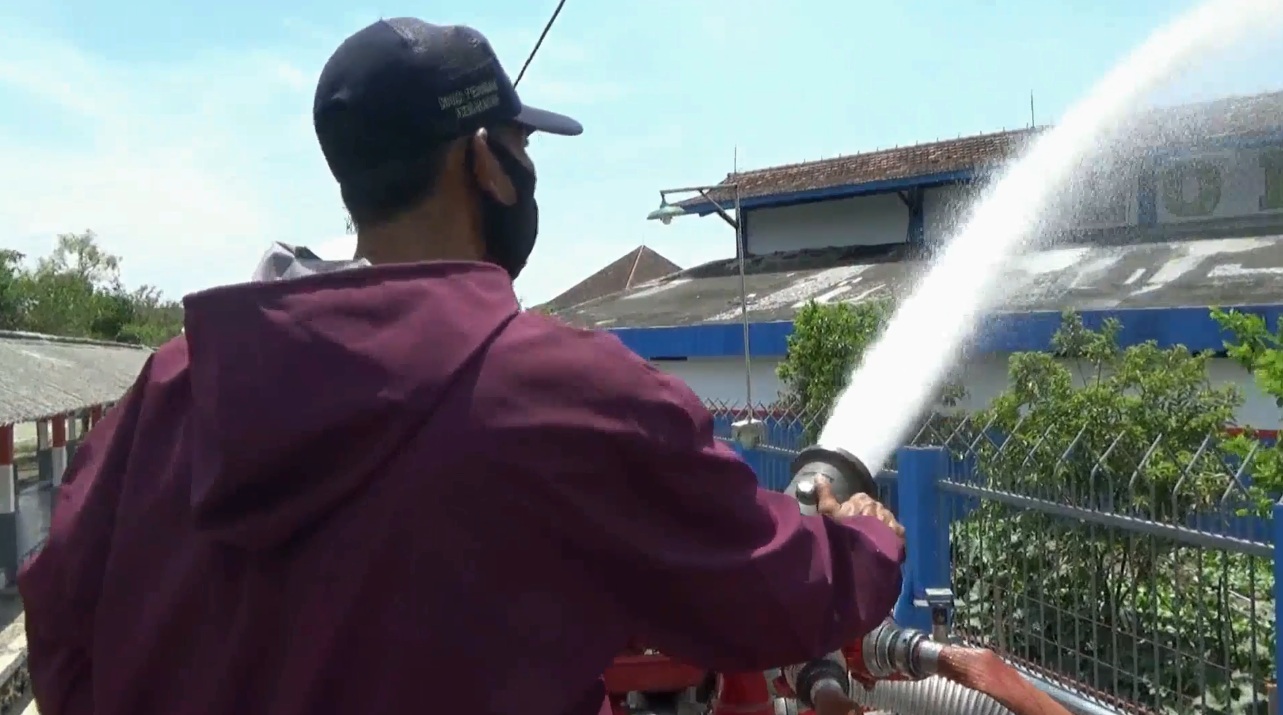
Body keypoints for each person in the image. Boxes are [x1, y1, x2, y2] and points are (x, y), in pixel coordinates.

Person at [18, 18, 905, 715]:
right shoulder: (562, 392)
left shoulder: (174, 385)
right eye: (519, 148)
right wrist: (866, 538)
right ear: (483, 161)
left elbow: (60, 618)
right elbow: (773, 594)